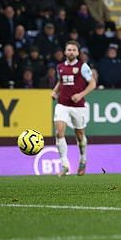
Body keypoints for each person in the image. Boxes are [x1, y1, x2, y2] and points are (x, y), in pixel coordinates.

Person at [51, 41, 96, 176]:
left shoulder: (83, 67)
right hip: (62, 104)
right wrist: (55, 91)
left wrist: (80, 94)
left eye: (73, 50)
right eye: (69, 49)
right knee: (59, 133)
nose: (71, 52)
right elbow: (61, 82)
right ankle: (64, 164)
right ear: (65, 52)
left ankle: (83, 159)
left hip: (78, 106)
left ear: (77, 52)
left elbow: (92, 83)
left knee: (80, 135)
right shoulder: (60, 67)